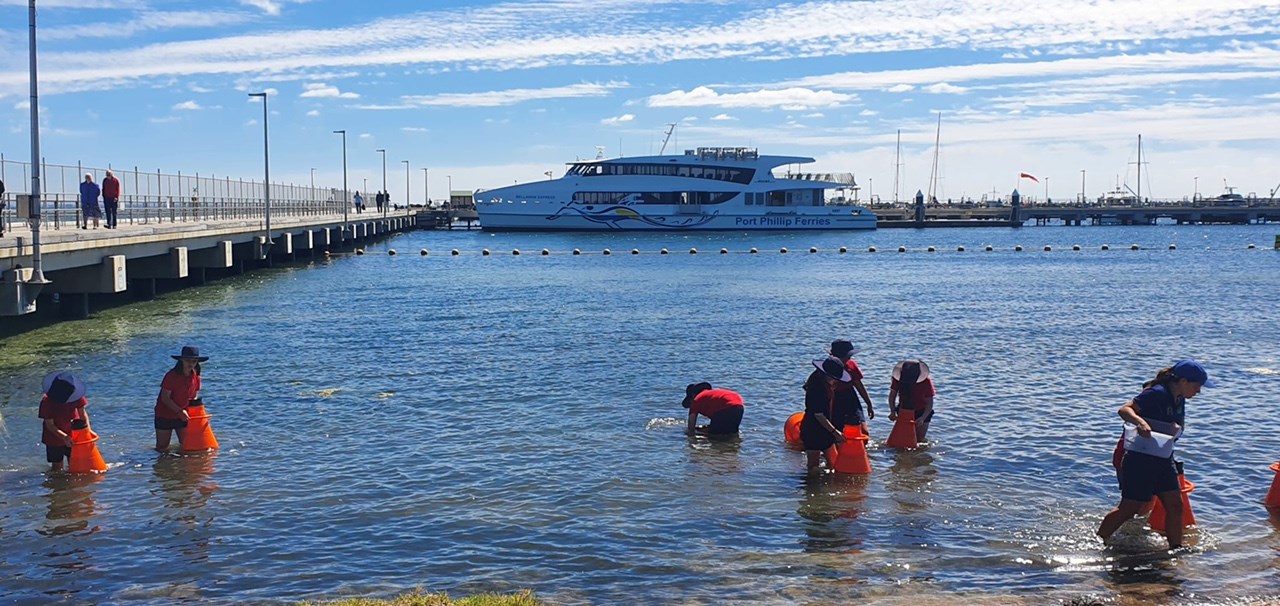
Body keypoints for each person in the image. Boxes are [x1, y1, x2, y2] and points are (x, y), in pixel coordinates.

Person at [1097, 360, 1215, 551]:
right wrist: (1140, 422)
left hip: (1162, 457)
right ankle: (1099, 540)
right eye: (1197, 386)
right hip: (1140, 457)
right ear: (1183, 381)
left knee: (1176, 506)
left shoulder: (1179, 398)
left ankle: (1176, 549)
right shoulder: (1157, 393)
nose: (1198, 392)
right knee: (1130, 508)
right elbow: (1124, 410)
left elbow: (1174, 424)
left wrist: (1176, 428)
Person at [800, 356, 851, 473]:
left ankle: (828, 484)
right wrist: (835, 432)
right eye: (833, 378)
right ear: (824, 374)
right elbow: (818, 415)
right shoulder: (815, 388)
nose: (835, 381)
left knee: (833, 463)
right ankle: (812, 487)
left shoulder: (825, 385)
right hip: (812, 430)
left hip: (825, 429)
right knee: (813, 466)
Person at [154, 345, 208, 451]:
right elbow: (165, 398)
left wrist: (199, 415)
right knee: (162, 447)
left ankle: (181, 466)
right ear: (181, 360)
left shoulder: (196, 376)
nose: (191, 363)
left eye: (194, 361)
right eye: (188, 360)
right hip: (164, 414)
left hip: (183, 415)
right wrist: (179, 411)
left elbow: (193, 397)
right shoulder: (171, 375)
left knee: (187, 446)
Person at [38, 371, 91, 471]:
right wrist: (64, 437)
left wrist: (87, 431)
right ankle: (58, 484)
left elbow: (82, 415)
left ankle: (73, 486)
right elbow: (50, 425)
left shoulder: (76, 396)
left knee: (75, 464)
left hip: (74, 434)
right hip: (53, 438)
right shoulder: (47, 402)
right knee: (57, 467)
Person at [829, 340, 875, 436]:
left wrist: (868, 403)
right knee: (837, 430)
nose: (849, 357)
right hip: (833, 398)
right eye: (847, 356)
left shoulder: (851, 365)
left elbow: (859, 386)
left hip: (850, 397)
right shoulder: (828, 366)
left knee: (863, 431)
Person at [888, 359, 935, 443]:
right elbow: (892, 396)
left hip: (922, 410)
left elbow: (929, 403)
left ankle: (916, 453)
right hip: (904, 409)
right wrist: (892, 412)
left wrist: (923, 418)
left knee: (919, 440)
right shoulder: (898, 379)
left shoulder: (926, 381)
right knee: (903, 438)